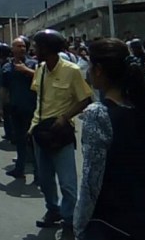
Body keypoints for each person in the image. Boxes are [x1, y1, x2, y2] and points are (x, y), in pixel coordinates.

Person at [75, 38, 145, 239]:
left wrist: (79, 225)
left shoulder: (97, 114)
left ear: (98, 70)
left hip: (111, 222)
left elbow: (91, 180)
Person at [29, 29, 93, 239]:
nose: (34, 50)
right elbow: (38, 98)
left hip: (61, 133)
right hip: (40, 131)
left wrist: (64, 117)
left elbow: (85, 98)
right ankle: (53, 210)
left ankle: (69, 219)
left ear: (47, 48)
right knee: (45, 180)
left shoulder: (72, 70)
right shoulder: (39, 69)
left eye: (38, 46)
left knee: (67, 182)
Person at [0, 37, 37, 179]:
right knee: (20, 140)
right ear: (12, 49)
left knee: (33, 141)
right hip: (15, 109)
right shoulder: (7, 67)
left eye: (23, 46)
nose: (22, 48)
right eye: (18, 46)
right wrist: (0, 107)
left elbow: (42, 78)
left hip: (33, 108)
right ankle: (19, 169)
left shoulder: (34, 64)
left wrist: (26, 70)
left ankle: (38, 173)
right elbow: (3, 89)